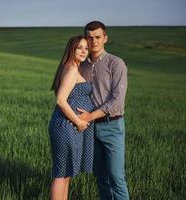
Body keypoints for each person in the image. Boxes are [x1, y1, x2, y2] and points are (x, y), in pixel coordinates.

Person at [78, 21, 129, 199]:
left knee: (117, 178)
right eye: (89, 37)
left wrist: (89, 116)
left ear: (105, 38)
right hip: (89, 129)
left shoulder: (116, 64)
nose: (94, 41)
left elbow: (117, 101)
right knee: (101, 177)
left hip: (112, 127)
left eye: (98, 37)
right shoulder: (81, 66)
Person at [48, 35, 94, 200]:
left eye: (86, 48)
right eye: (79, 47)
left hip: (68, 126)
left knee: (67, 173)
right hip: (67, 125)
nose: (83, 51)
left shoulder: (70, 67)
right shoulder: (72, 69)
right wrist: (79, 122)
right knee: (61, 173)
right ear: (71, 49)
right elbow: (60, 100)